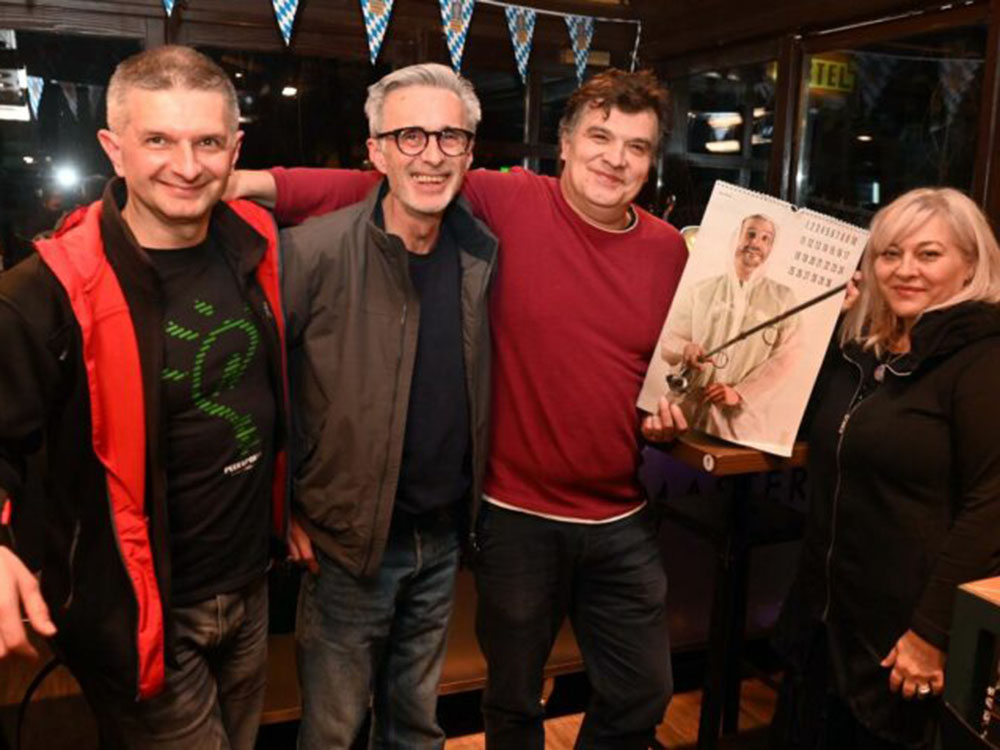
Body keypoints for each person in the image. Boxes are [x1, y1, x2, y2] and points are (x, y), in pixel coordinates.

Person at [228, 68, 689, 750]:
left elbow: (670, 367)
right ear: (564, 145)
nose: (615, 158)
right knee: (503, 700)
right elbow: (373, 185)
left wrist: (672, 410)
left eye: (636, 146)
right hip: (513, 516)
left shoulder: (668, 251)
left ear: (651, 162)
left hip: (618, 514)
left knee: (642, 692)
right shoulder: (510, 202)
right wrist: (244, 182)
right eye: (600, 137)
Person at [0, 46, 287, 749]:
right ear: (114, 149)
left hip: (251, 586)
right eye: (158, 140)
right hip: (139, 608)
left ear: (234, 150)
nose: (186, 166)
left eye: (207, 143)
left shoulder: (253, 239)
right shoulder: (45, 292)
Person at [279, 63, 496, 749]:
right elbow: (260, 389)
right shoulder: (309, 254)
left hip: (442, 539)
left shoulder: (481, 257)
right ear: (375, 151)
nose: (431, 155)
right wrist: (279, 505)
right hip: (345, 549)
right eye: (409, 136)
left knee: (416, 726)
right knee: (333, 731)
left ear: (469, 153)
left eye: (449, 137)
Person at [771, 187, 1000, 749]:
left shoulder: (984, 358)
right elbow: (793, 417)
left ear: (971, 264)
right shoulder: (867, 345)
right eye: (890, 254)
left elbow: (991, 505)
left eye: (929, 254)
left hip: (902, 640)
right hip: (826, 625)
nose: (905, 270)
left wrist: (931, 632)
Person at [660, 213, 799, 443]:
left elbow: (788, 357)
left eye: (765, 238)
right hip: (685, 416)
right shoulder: (700, 291)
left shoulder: (784, 299)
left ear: (772, 247)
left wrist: (741, 393)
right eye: (750, 234)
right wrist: (685, 348)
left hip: (742, 426)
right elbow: (669, 339)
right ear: (737, 237)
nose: (756, 243)